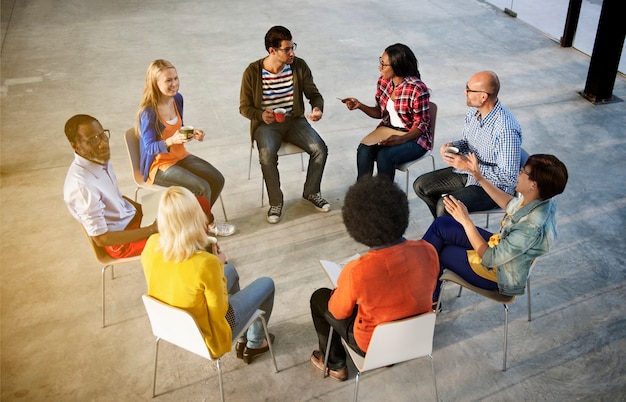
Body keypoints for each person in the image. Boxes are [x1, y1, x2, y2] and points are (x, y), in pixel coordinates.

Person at [309, 176, 439, 381]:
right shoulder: (428, 250)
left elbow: (337, 312)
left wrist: (340, 289)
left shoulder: (357, 270)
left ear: (356, 226)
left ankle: (335, 364)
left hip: (372, 344)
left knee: (319, 298)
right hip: (416, 337)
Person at [141, 186, 275, 363]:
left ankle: (242, 339)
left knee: (231, 271)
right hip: (209, 337)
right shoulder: (206, 263)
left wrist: (220, 269)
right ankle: (256, 343)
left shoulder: (151, 244)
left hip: (172, 325)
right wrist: (219, 265)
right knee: (266, 283)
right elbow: (220, 311)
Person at [423, 154, 568, 302]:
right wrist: (478, 177)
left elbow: (490, 258)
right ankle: (421, 288)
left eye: (523, 171)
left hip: (499, 273)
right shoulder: (541, 199)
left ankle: (426, 299)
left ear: (534, 185)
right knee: (441, 224)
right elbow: (510, 205)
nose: (519, 172)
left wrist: (466, 221)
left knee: (436, 253)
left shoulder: (530, 228)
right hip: (501, 247)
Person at [240, 25, 330, 224]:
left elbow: (314, 94)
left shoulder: (298, 66)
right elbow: (244, 107)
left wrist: (317, 109)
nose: (292, 52)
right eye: (287, 49)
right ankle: (276, 202)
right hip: (266, 125)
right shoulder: (253, 71)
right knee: (266, 155)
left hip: (295, 120)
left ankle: (311, 192)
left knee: (320, 149)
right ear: (272, 50)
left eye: (293, 47)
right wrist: (261, 115)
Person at [136, 59, 235, 236]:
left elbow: (177, 127)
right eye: (168, 80)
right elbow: (150, 148)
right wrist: (171, 141)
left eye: (176, 78)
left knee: (217, 179)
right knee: (202, 187)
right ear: (155, 83)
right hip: (159, 166)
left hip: (179, 155)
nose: (174, 84)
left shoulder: (177, 99)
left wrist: (191, 133)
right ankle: (208, 225)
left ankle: (194, 221)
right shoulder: (148, 112)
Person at [413, 70, 522, 218]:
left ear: (483, 97)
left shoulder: (506, 129)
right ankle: (443, 230)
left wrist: (469, 167)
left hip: (493, 188)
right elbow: (467, 143)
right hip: (468, 174)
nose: (465, 92)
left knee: (444, 206)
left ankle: (445, 234)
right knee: (421, 186)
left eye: (469, 90)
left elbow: (509, 177)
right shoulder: (473, 111)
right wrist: (453, 146)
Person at [64, 114, 159, 258]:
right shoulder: (82, 186)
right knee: (183, 235)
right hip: (120, 242)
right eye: (93, 140)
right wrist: (152, 229)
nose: (103, 143)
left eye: (103, 135)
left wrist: (147, 210)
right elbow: (102, 238)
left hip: (133, 220)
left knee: (194, 204)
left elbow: (116, 197)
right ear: (75, 145)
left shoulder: (99, 160)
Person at [342, 43, 433, 181]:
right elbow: (380, 112)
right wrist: (360, 105)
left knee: (384, 156)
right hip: (389, 130)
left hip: (414, 138)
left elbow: (422, 125)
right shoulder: (383, 82)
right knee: (363, 150)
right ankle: (361, 195)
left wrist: (401, 139)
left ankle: (385, 199)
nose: (380, 67)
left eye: (384, 64)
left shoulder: (417, 89)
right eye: (380, 61)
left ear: (397, 66)